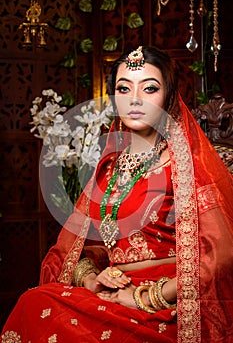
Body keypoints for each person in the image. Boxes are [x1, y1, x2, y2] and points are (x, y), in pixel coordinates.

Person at [1, 46, 233, 343]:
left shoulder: (185, 165)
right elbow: (90, 246)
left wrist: (148, 296)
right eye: (124, 89)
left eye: (149, 88)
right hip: (114, 296)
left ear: (169, 97)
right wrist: (93, 279)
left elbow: (221, 256)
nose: (135, 99)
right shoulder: (109, 167)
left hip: (167, 303)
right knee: (35, 302)